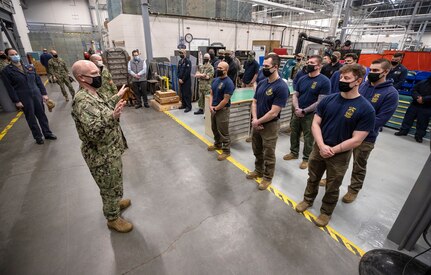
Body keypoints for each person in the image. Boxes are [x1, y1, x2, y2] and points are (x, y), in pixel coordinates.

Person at [295, 64, 376, 227]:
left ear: (358, 81)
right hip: (320, 148)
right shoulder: (329, 100)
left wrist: (333, 149)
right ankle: (307, 200)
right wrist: (322, 145)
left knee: (333, 185)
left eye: (347, 78)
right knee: (313, 177)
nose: (342, 81)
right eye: (341, 77)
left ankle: (326, 211)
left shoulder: (366, 109)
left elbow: (357, 140)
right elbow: (315, 124)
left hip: (339, 154)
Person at [71, 60, 132, 233]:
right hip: (101, 154)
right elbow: (94, 132)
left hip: (111, 150)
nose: (99, 76)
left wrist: (116, 97)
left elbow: (102, 109)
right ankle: (112, 218)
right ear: (82, 78)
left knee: (115, 181)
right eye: (94, 74)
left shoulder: (94, 93)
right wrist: (113, 117)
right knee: (108, 186)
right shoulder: (83, 101)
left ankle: (115, 203)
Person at [342, 58, 398, 203]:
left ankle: (353, 190)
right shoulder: (363, 86)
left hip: (366, 137)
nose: (371, 73)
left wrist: (359, 130)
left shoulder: (391, 94)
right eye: (370, 70)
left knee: (359, 165)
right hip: (347, 132)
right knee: (340, 160)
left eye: (375, 71)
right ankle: (330, 178)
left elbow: (381, 119)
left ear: (385, 72)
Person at [246, 54, 289, 190]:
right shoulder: (263, 82)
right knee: (257, 149)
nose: (263, 69)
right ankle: (258, 170)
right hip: (257, 122)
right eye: (262, 66)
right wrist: (254, 119)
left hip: (270, 125)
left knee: (268, 152)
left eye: (266, 66)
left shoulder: (281, 87)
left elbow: (274, 112)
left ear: (275, 67)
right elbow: (254, 101)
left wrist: (258, 121)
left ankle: (267, 177)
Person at [283, 55, 331, 169]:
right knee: (294, 132)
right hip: (298, 111)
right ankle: (294, 153)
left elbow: (320, 101)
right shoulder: (302, 79)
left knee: (308, 137)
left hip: (311, 114)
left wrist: (304, 110)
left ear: (319, 66)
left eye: (312, 63)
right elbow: (296, 95)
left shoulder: (325, 81)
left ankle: (306, 158)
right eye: (308, 62)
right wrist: (297, 108)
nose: (308, 64)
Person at [2, 48, 57, 144]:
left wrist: (44, 93)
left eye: (16, 53)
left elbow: (38, 81)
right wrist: (16, 101)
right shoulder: (6, 71)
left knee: (42, 116)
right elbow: (9, 88)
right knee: (31, 118)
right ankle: (38, 137)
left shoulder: (29, 67)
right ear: (8, 57)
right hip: (24, 97)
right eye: (12, 54)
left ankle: (47, 133)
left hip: (36, 94)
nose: (15, 55)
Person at [207, 61, 235, 161]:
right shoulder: (215, 80)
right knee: (214, 128)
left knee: (223, 131)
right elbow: (211, 94)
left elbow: (225, 100)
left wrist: (216, 108)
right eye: (217, 68)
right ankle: (217, 144)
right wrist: (210, 106)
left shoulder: (229, 83)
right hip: (213, 109)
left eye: (220, 69)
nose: (218, 70)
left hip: (222, 110)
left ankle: (226, 151)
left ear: (226, 70)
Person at [394, 76, 431, 143]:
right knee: (408, 118)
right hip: (415, 104)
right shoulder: (423, 82)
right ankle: (403, 131)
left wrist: (424, 99)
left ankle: (419, 136)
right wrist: (417, 97)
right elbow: (414, 90)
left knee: (423, 122)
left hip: (427, 106)